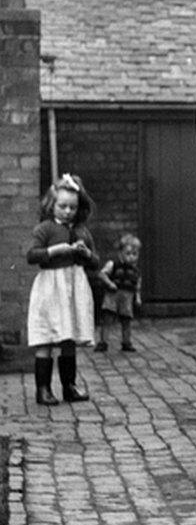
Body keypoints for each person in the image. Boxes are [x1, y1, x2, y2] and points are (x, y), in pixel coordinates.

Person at [26, 173, 98, 405]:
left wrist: (86, 254)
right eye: (63, 206)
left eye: (72, 208)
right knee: (46, 337)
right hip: (50, 288)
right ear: (52, 205)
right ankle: (43, 389)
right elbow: (31, 255)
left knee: (69, 338)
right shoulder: (45, 229)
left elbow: (95, 261)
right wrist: (54, 251)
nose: (67, 211)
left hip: (73, 289)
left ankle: (69, 386)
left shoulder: (82, 231)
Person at [95, 233, 142, 352]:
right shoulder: (113, 265)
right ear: (120, 253)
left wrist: (137, 298)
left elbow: (137, 286)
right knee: (107, 319)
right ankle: (103, 342)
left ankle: (126, 342)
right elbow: (102, 274)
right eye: (128, 254)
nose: (131, 257)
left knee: (126, 320)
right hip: (113, 295)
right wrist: (109, 283)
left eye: (134, 254)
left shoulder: (136, 271)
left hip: (127, 297)